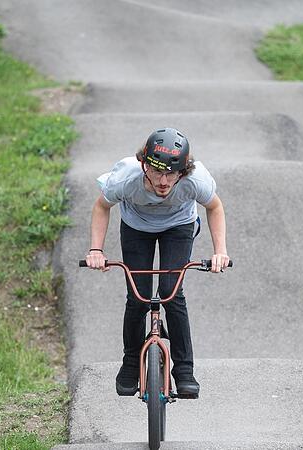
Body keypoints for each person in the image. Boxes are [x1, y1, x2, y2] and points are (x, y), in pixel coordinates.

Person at [84, 127, 230, 397]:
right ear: (144, 165)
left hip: (178, 226)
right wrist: (96, 250)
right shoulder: (126, 177)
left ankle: (184, 371)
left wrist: (220, 251)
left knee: (171, 293)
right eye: (156, 172)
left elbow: (215, 207)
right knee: (137, 297)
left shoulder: (196, 180)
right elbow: (101, 207)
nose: (163, 181)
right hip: (136, 228)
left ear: (183, 172)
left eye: (171, 174)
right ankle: (131, 363)